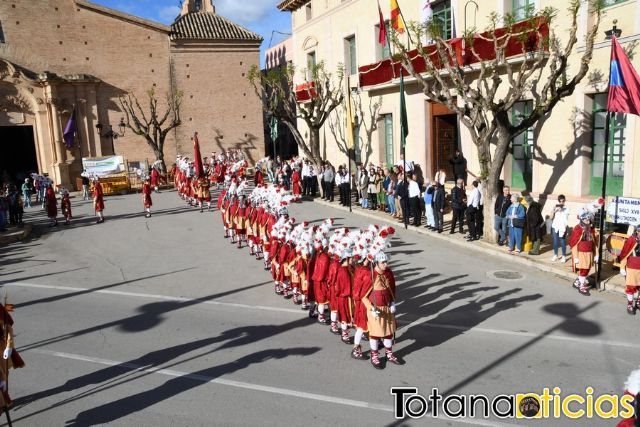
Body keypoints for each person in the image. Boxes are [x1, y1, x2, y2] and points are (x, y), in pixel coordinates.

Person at [362, 251, 402, 369]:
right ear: (376, 263)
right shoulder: (371, 276)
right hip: (375, 311)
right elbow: (363, 297)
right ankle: (374, 356)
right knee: (375, 334)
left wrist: (393, 302)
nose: (386, 264)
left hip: (387, 309)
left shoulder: (387, 274)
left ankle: (389, 354)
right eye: (383, 262)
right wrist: (371, 309)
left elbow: (390, 291)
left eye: (386, 262)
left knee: (388, 333)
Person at [0, 302, 26, 409]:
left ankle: (4, 397)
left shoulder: (0, 310)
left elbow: (8, 329)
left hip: (0, 349)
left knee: (3, 375)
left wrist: (9, 347)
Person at [569, 210, 599, 296]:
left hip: (589, 253)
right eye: (586, 220)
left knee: (587, 269)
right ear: (582, 220)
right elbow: (574, 244)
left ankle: (577, 282)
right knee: (584, 270)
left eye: (589, 220)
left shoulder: (591, 229)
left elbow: (594, 244)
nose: (588, 221)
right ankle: (581, 286)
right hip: (580, 253)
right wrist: (576, 257)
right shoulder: (577, 229)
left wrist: (596, 254)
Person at [619, 224, 640, 315]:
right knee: (631, 287)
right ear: (637, 231)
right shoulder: (631, 240)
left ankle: (638, 302)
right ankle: (630, 304)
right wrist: (622, 267)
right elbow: (624, 254)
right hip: (632, 267)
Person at [550, 195, 569, 263]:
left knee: (562, 242)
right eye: (560, 201)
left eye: (563, 201)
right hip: (555, 226)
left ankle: (563, 256)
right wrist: (553, 210)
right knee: (555, 241)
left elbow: (566, 216)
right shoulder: (556, 207)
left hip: (562, 227)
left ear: (564, 201)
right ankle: (555, 255)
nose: (561, 202)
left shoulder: (566, 208)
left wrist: (561, 210)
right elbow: (551, 217)